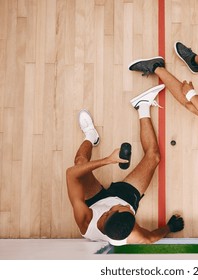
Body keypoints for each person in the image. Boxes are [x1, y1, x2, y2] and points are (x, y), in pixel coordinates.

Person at [66, 84, 184, 246]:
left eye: (121, 207)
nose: (123, 205)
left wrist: (108, 160)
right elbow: (150, 238)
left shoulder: (85, 221)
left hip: (94, 201)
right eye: (128, 209)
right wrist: (169, 227)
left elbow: (71, 174)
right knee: (154, 157)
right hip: (124, 193)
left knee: (80, 163)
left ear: (107, 214)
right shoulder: (131, 230)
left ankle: (90, 135)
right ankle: (142, 105)